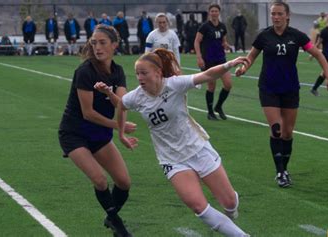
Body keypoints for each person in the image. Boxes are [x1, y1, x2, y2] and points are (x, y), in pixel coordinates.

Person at [98, 48, 250, 237]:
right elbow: (121, 105)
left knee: (229, 203)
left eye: (144, 73)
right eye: (137, 74)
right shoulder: (136, 96)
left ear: (158, 72)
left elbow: (207, 74)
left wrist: (229, 64)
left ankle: (232, 205)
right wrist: (120, 134)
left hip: (197, 148)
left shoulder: (174, 85)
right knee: (198, 206)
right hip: (172, 160)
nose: (139, 78)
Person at [235, 1, 328, 188]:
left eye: (279, 14)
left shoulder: (296, 36)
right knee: (277, 129)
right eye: (273, 14)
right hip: (268, 88)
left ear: (287, 16)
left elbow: (318, 55)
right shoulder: (264, 36)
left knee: (288, 133)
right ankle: (280, 172)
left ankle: (285, 167)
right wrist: (244, 67)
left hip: (290, 88)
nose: (276, 17)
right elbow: (251, 56)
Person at [58, 25, 135, 237]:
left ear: (114, 45)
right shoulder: (85, 71)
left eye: (102, 43)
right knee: (100, 180)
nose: (97, 47)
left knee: (124, 182)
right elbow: (88, 113)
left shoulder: (117, 72)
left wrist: (109, 92)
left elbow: (122, 104)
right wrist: (118, 126)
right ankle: (119, 226)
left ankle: (110, 217)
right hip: (74, 133)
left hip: (99, 135)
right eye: (94, 42)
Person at [194, 3, 233, 120]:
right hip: (208, 60)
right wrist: (199, 57)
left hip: (221, 59)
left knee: (228, 84)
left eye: (216, 11)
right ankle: (210, 112)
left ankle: (218, 107)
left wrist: (227, 45)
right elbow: (197, 42)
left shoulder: (222, 26)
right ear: (209, 13)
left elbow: (223, 41)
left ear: (219, 12)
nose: (214, 13)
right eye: (212, 11)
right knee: (211, 86)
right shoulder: (204, 27)